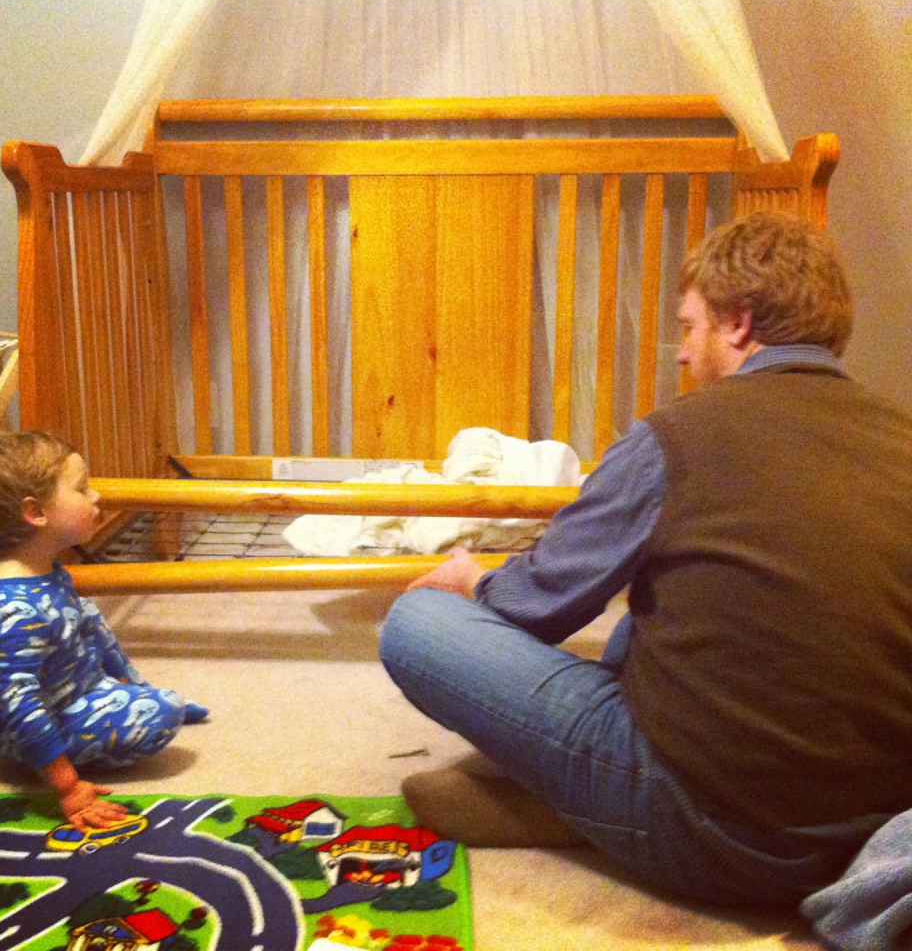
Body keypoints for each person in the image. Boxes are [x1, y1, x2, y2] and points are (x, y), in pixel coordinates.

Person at [379, 211, 912, 906]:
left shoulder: (676, 438)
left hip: (716, 834)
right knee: (665, 598)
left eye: (688, 328)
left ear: (739, 325)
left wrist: (472, 580)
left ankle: (592, 810)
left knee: (416, 623)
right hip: (869, 833)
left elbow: (542, 602)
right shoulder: (901, 438)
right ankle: (582, 802)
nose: (682, 354)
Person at [0, 430, 209, 832]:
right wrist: (68, 788)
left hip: (70, 687)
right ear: (35, 512)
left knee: (87, 614)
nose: (96, 496)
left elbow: (78, 637)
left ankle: (134, 691)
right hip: (32, 729)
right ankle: (78, 742)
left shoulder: (43, 571)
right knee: (166, 713)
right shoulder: (14, 610)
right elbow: (20, 707)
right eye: (81, 488)